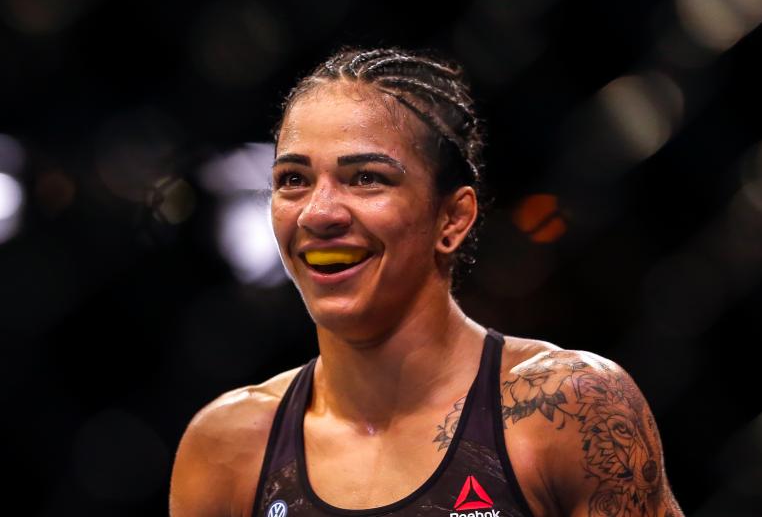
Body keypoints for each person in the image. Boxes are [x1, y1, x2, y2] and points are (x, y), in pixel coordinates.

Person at [169, 46, 684, 517]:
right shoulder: (229, 446)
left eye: (366, 177)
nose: (318, 213)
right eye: (294, 180)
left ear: (453, 219)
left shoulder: (567, 410)